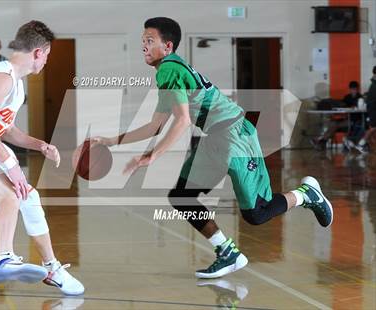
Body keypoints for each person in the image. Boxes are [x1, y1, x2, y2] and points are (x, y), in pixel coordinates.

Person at [91, 17, 333, 279]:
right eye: (142, 41)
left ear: (168, 46)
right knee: (182, 196)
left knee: (256, 214)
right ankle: (227, 252)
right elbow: (155, 126)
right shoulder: (169, 70)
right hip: (215, 137)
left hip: (233, 135)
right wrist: (111, 141)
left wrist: (154, 155)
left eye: (150, 41)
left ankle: (306, 194)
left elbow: (183, 120)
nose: (144, 46)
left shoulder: (168, 69)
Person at [0, 21, 84, 295]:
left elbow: (6, 129)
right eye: (47, 56)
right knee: (12, 194)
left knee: (28, 197)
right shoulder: (2, 77)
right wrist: (13, 166)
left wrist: (40, 145)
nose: (46, 61)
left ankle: (52, 269)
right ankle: (4, 258)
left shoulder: (15, 83)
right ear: (39, 52)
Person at [311, 81, 362, 150]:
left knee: (334, 125)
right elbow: (342, 106)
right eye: (352, 89)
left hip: (354, 121)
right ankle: (322, 141)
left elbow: (361, 110)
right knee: (332, 123)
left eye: (355, 89)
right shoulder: (347, 97)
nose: (354, 91)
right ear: (350, 89)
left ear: (357, 89)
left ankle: (320, 140)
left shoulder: (360, 98)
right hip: (346, 119)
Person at [349, 66, 376, 153]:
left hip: (372, 109)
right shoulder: (374, 85)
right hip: (373, 109)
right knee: (373, 128)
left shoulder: (374, 83)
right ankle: (361, 144)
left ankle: (362, 143)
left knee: (373, 128)